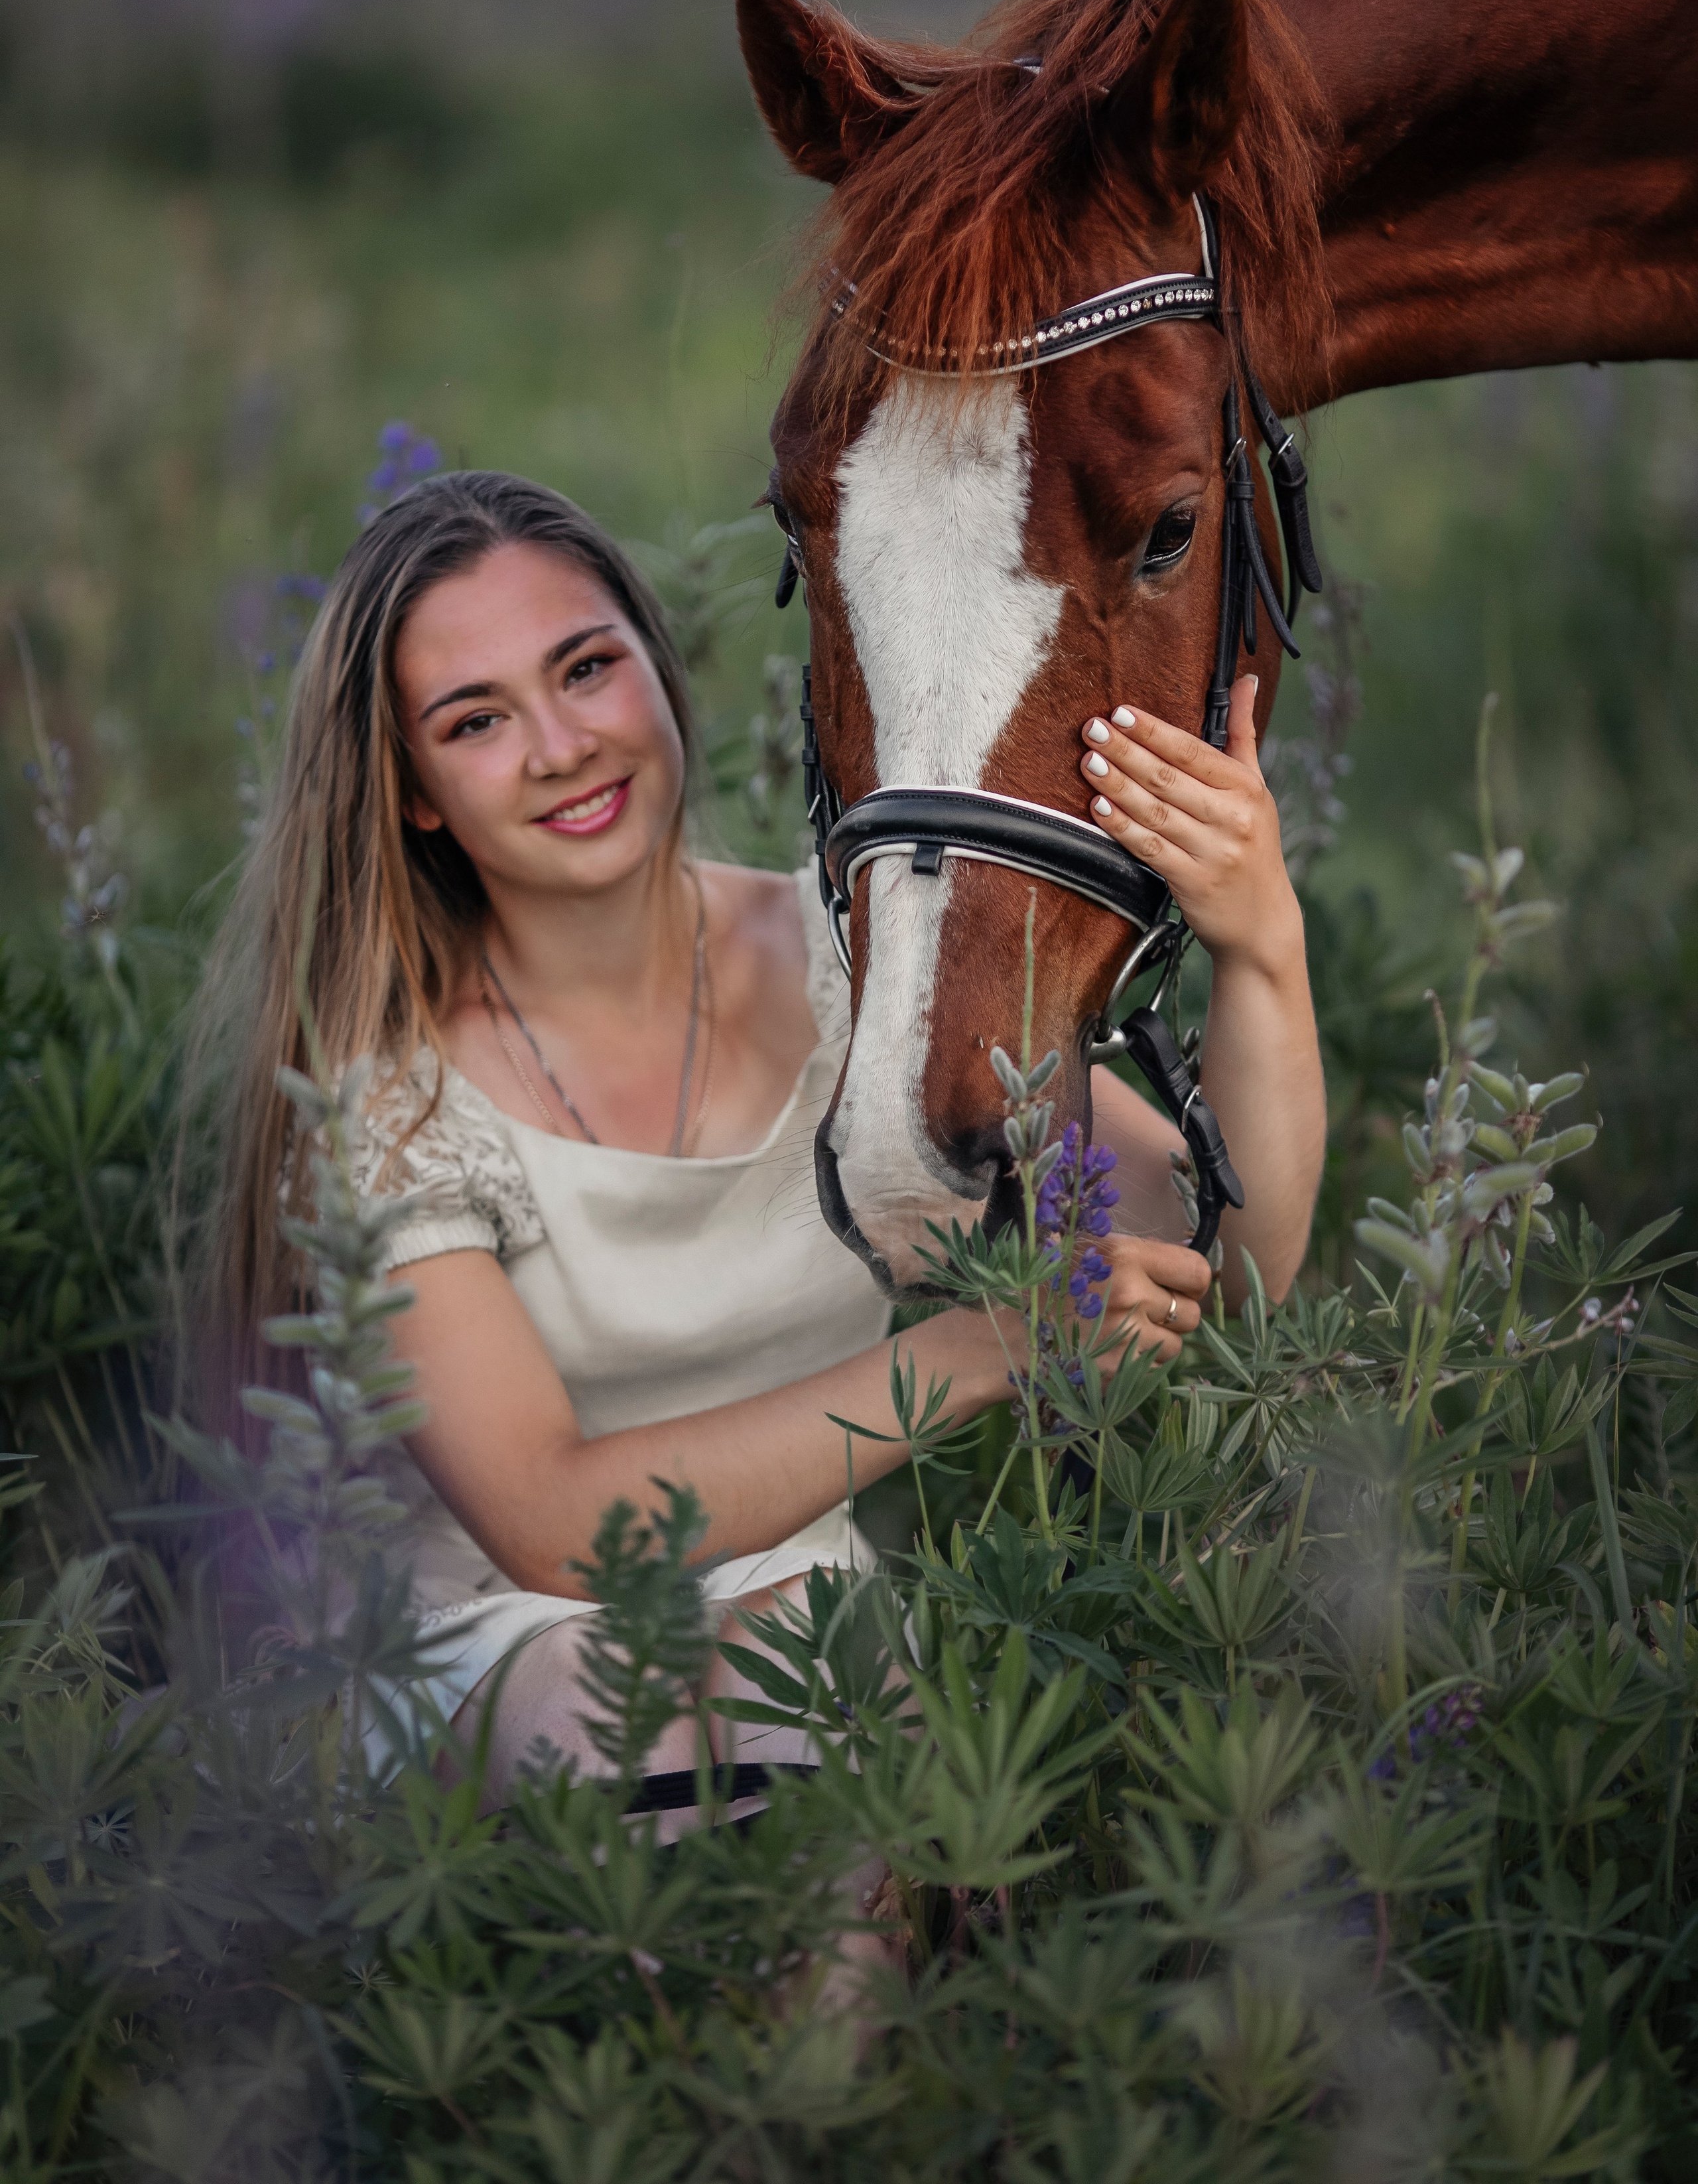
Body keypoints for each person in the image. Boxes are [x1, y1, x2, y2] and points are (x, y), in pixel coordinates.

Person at [194, 468, 1324, 1815]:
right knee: (674, 1708)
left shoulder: (859, 971)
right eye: (477, 720)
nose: (559, 745)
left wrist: (1259, 942)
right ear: (418, 792)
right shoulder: (386, 1099)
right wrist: (977, 1355)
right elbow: (556, 1531)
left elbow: (1229, 1254)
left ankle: (835, 2029)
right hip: (491, 1653)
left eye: (585, 668)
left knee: (819, 1664)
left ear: (657, 677)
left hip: (798, 1628)